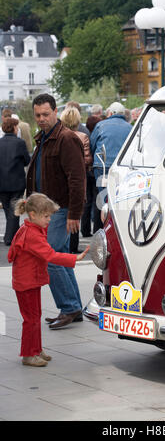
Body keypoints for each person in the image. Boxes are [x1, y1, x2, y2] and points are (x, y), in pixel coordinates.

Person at [8, 193, 89, 367]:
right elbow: (50, 255)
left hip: (29, 281)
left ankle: (35, 349)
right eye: (46, 216)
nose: (49, 220)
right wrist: (75, 258)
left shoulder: (30, 228)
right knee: (31, 318)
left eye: (50, 216)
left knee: (35, 316)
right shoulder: (33, 234)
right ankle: (29, 354)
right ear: (33, 215)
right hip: (27, 282)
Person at [26, 93, 86, 329]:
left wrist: (75, 213)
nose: (41, 118)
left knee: (49, 257)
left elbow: (77, 179)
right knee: (59, 256)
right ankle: (73, 307)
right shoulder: (44, 137)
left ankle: (69, 307)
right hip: (46, 209)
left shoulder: (66, 138)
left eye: (45, 114)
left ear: (55, 112)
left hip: (61, 208)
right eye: (37, 115)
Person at [60, 106, 92, 252]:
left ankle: (62, 246)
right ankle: (73, 246)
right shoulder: (82, 136)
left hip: (61, 179)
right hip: (79, 178)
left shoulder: (59, 135)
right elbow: (87, 159)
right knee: (75, 212)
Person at [0, 117, 30, 245]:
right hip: (16, 182)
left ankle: (14, 234)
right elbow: (27, 160)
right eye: (17, 127)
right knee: (14, 210)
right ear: (13, 128)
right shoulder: (20, 143)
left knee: (8, 210)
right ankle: (9, 237)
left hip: (2, 182)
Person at [90, 102, 132, 194]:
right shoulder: (130, 127)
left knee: (104, 196)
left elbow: (92, 145)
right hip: (122, 166)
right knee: (118, 195)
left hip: (102, 166)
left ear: (111, 113)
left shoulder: (100, 125)